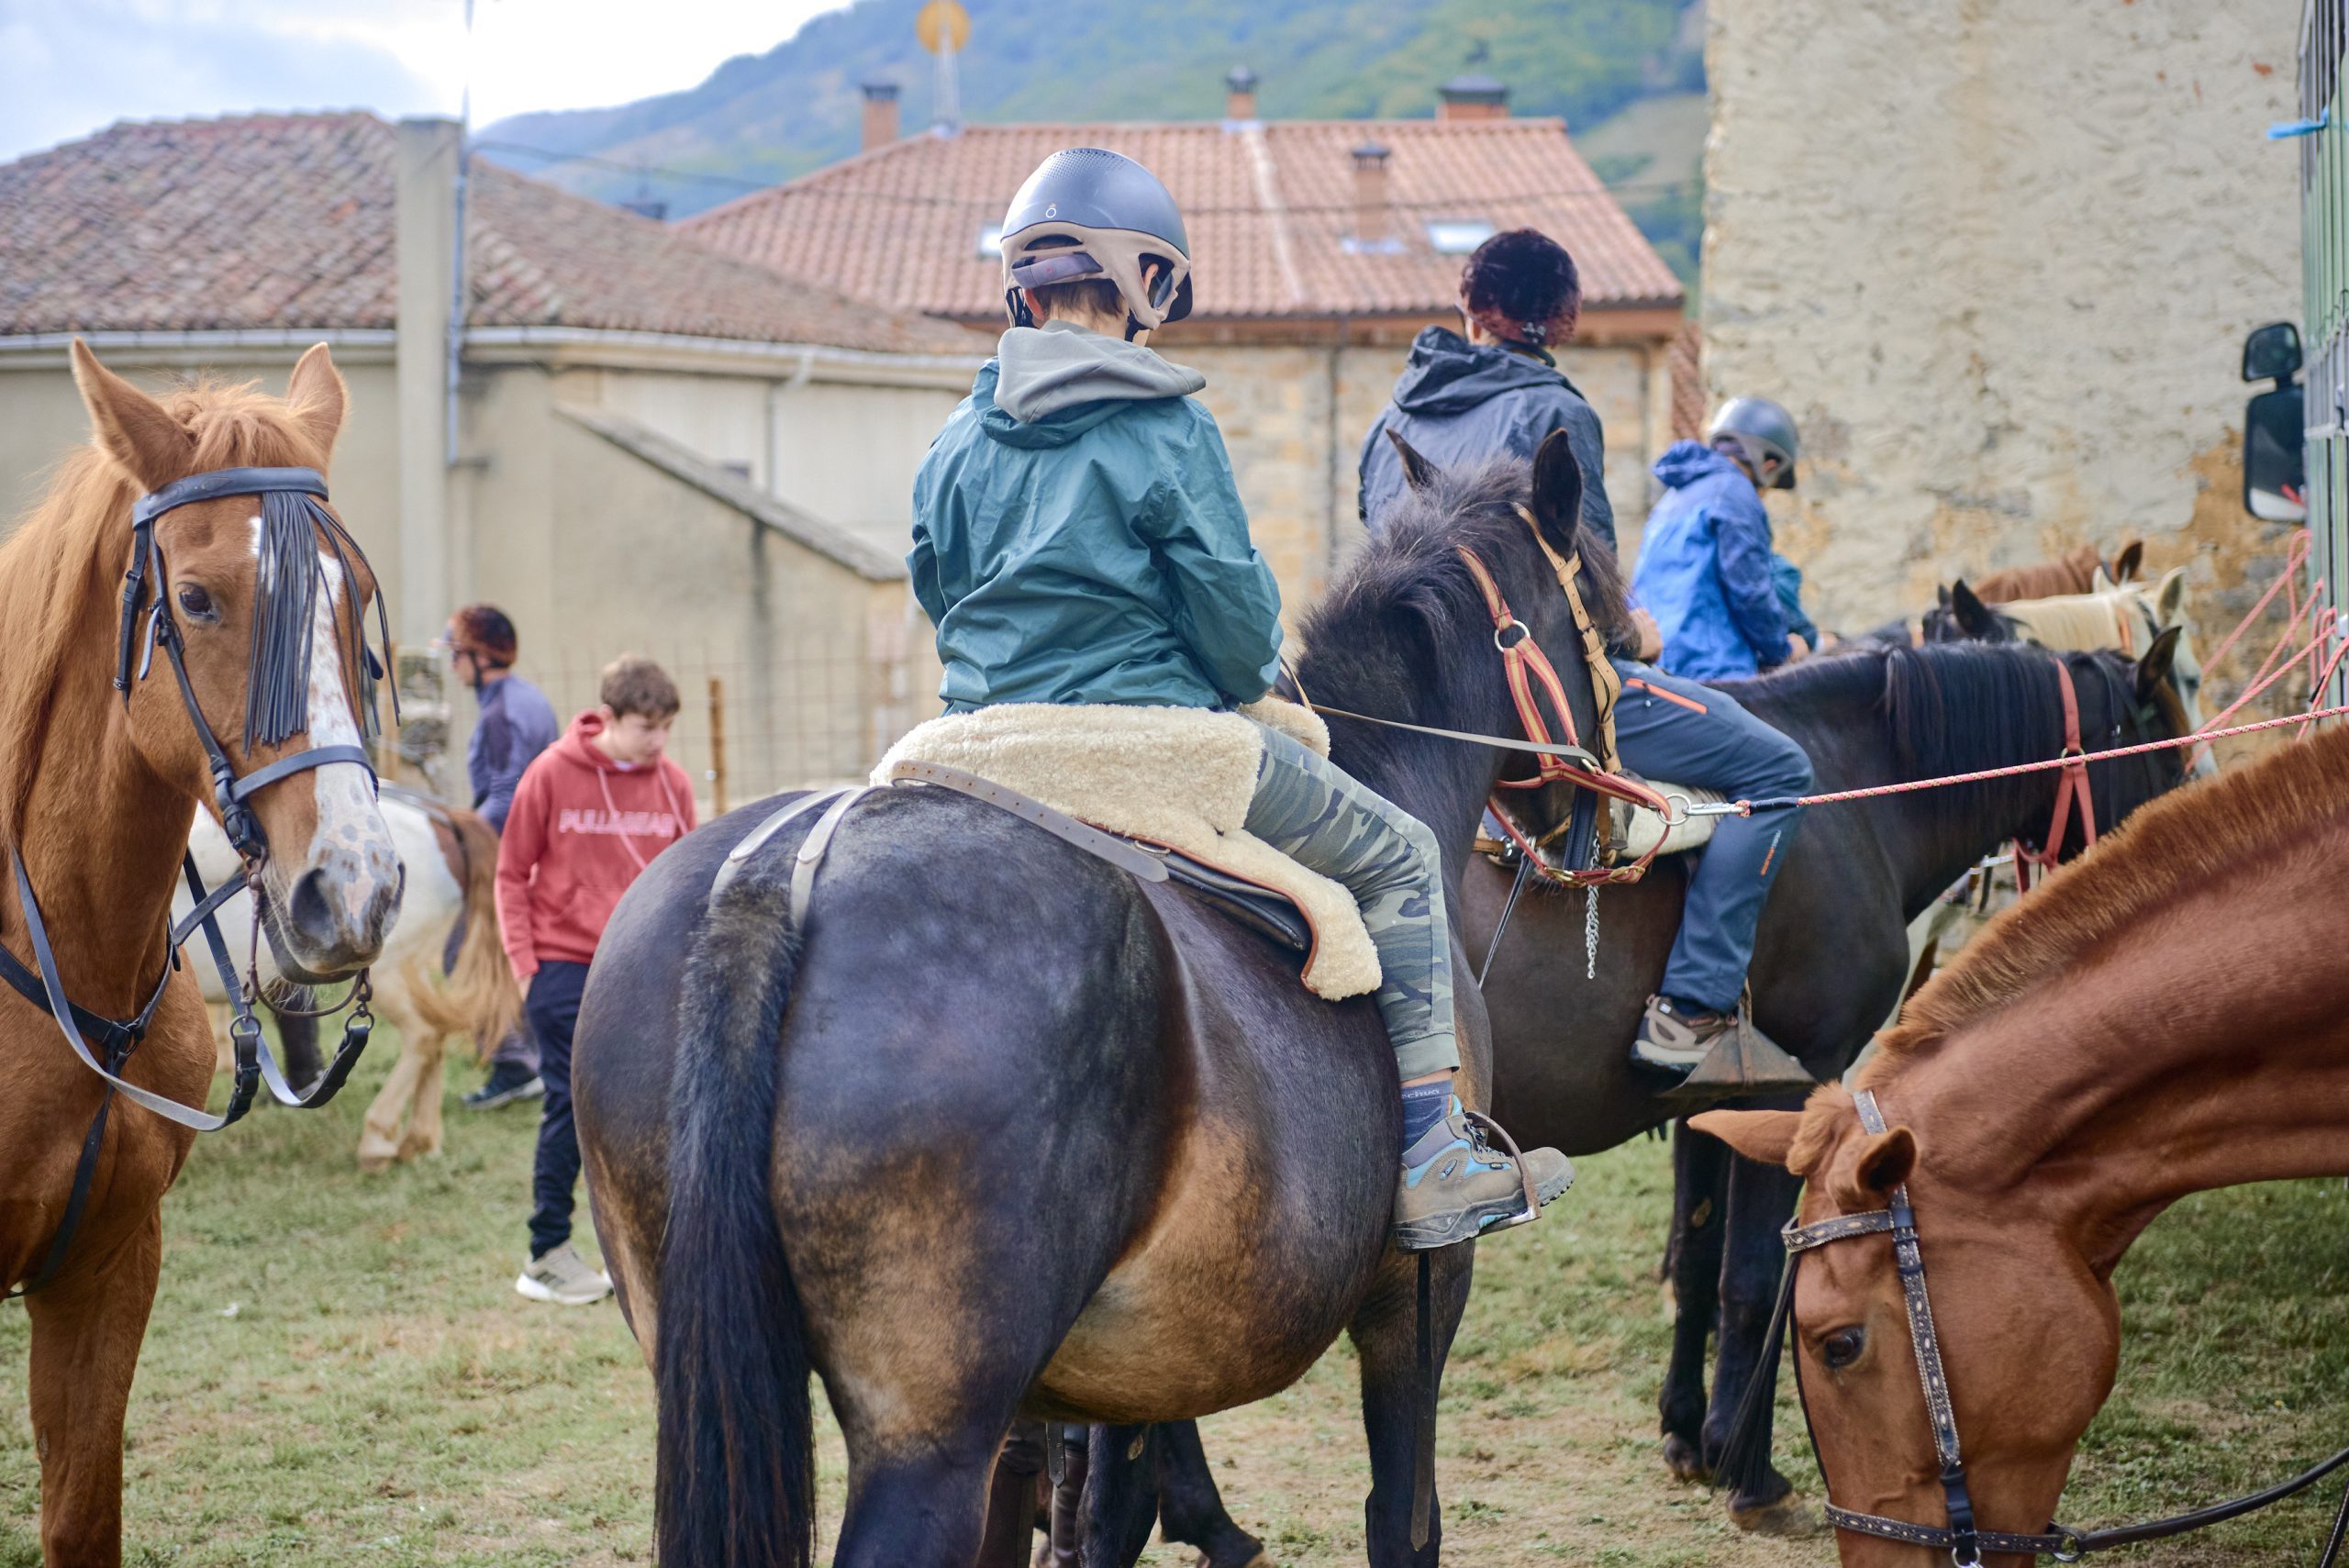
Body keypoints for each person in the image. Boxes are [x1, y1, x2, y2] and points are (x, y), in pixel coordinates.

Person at [910, 148, 1572, 1251]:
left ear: (1020, 289)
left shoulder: (956, 436)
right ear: (1148, 286)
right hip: (1155, 750)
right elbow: (1233, 638)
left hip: (976, 746)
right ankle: (1431, 1149)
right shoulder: (1168, 428)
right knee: (1404, 852)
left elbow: (938, 588)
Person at [1358, 233, 1813, 1084]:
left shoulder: (1393, 419)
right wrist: (1641, 634)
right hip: (1535, 707)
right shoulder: (1556, 414)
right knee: (1780, 768)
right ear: (1562, 320)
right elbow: (1585, 615)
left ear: (1468, 305)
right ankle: (1693, 1009)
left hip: (1418, 717)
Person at [496, 655, 696, 1304]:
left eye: (667, 726)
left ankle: (653, 1250)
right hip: (564, 969)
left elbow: (689, 881)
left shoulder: (674, 784)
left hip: (646, 971)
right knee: (571, 1107)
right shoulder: (551, 773)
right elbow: (510, 874)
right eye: (645, 727)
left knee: (654, 1107)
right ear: (607, 718)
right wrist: (526, 969)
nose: (658, 741)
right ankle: (546, 1253)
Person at [441, 604, 560, 1111]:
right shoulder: (525, 698)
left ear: (479, 656)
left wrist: (464, 835)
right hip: (534, 849)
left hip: (511, 853)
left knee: (463, 952)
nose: (452, 666)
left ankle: (513, 1064)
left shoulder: (501, 710)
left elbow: (507, 794)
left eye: (456, 655)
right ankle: (530, 1057)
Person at [1632, 399, 1804, 681]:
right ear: (1769, 464)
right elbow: (1750, 590)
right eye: (1768, 487)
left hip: (1660, 669)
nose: (1763, 495)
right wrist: (1782, 650)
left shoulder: (1673, 497)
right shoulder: (1735, 493)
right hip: (1714, 672)